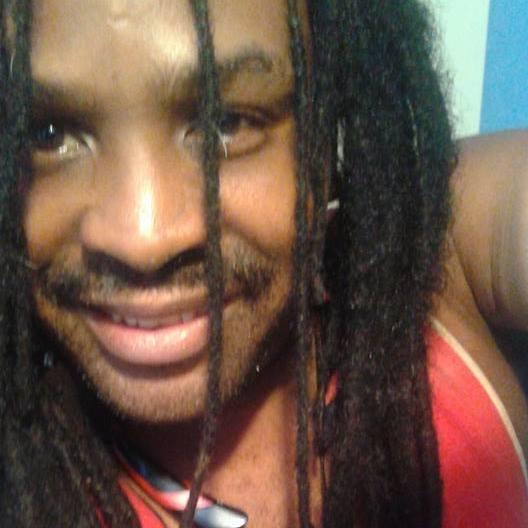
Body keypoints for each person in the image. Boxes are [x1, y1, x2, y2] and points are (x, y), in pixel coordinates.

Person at [0, 0, 526, 526]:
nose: (144, 240)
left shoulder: (439, 261)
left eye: (225, 123)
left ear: (325, 121)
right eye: (46, 134)